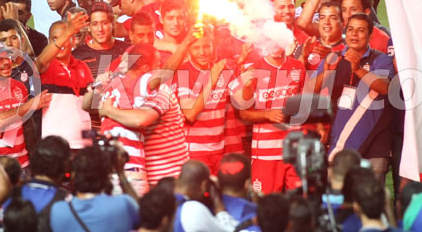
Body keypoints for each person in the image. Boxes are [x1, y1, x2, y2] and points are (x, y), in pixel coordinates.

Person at [99, 43, 189, 188]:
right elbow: (88, 104)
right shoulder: (123, 90)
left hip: (170, 176)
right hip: (148, 175)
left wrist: (107, 110)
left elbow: (141, 120)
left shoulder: (161, 90)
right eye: (157, 63)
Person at [49, 146, 140, 232]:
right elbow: (144, 212)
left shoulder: (57, 211)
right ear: (107, 176)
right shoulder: (123, 205)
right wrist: (120, 172)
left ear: (74, 175)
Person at [0, 42, 49, 195]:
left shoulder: (19, 86)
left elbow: (27, 125)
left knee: (22, 216)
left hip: (21, 165)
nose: (6, 62)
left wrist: (32, 159)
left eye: (7, 57)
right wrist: (29, 105)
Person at [324, 13, 394, 182]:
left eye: (360, 30)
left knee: (370, 199)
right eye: (350, 29)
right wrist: (327, 71)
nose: (354, 34)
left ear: (370, 35)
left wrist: (358, 69)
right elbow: (318, 92)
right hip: (342, 140)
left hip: (375, 143)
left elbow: (385, 87)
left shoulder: (381, 60)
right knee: (339, 197)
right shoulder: (335, 59)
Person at [237, 42, 306, 194]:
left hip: (294, 149)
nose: (274, 44)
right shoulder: (253, 69)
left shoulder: (298, 66)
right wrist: (267, 114)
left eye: (277, 39)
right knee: (265, 203)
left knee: (298, 203)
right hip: (265, 153)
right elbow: (244, 113)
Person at [36, 16, 94, 149]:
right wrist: (68, 32)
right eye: (54, 39)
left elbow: (92, 105)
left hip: (83, 145)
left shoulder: (83, 66)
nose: (61, 43)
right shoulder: (45, 65)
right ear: (49, 41)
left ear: (73, 41)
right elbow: (40, 62)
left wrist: (100, 88)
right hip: (54, 148)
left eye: (65, 38)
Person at [177, 33, 230, 171]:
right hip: (195, 151)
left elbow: (243, 100)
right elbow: (190, 114)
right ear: (189, 49)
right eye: (196, 48)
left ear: (213, 46)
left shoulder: (221, 69)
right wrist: (212, 79)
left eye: (206, 46)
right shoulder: (184, 72)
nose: (202, 52)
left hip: (219, 149)